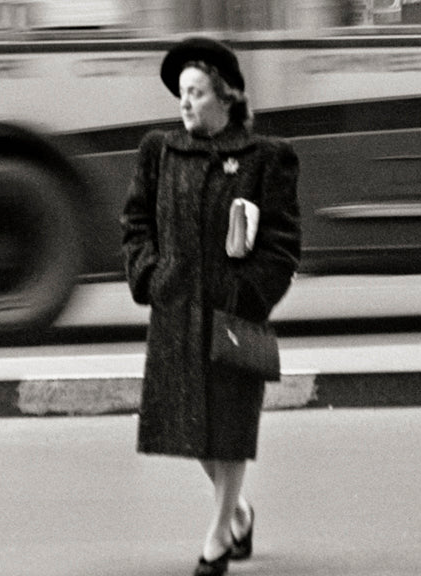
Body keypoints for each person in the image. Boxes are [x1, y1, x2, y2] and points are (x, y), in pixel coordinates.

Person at [121, 37, 302, 575]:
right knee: (188, 427)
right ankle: (239, 513)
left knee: (230, 427)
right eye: (182, 94)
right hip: (175, 312)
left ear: (225, 98)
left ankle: (218, 537)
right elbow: (135, 225)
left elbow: (283, 243)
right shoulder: (160, 151)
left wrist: (247, 294)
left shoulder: (267, 158)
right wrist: (151, 276)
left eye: (196, 93)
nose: (185, 104)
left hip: (234, 315)